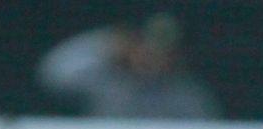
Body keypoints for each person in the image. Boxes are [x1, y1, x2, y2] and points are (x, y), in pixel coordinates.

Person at [38, 13, 221, 121]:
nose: (152, 58)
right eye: (145, 48)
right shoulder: (108, 81)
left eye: (164, 52)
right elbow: (53, 73)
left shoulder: (188, 96)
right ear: (132, 44)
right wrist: (107, 43)